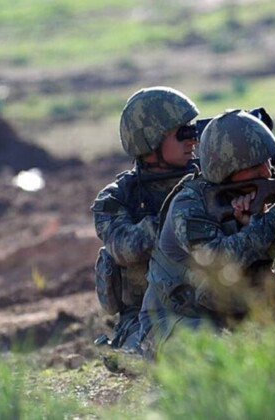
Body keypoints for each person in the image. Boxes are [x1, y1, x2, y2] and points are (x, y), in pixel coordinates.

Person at [141, 109, 275, 348]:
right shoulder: (189, 205)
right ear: (224, 171)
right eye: (253, 166)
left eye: (266, 161)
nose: (265, 171)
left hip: (244, 314)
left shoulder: (265, 189)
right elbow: (219, 263)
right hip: (182, 320)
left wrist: (270, 224)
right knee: (220, 356)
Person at [91, 86, 200, 351]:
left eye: (193, 131)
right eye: (183, 133)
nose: (193, 141)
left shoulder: (207, 181)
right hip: (145, 317)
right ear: (151, 140)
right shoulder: (118, 198)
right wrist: (181, 216)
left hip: (211, 303)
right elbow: (125, 248)